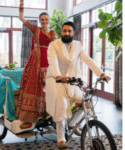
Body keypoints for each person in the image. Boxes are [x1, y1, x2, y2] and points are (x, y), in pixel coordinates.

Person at [45, 21, 110, 149]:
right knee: (62, 105)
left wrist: (101, 74)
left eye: (69, 31)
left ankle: (72, 124)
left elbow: (88, 60)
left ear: (73, 32)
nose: (67, 33)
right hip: (55, 80)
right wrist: (58, 76)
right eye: (64, 31)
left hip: (72, 80)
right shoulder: (54, 45)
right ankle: (61, 138)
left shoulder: (78, 45)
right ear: (61, 32)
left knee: (86, 102)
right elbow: (53, 63)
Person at [16, 0, 57, 129]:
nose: (44, 21)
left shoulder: (53, 33)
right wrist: (22, 3)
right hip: (36, 62)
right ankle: (29, 118)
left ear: (49, 20)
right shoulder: (35, 29)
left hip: (48, 62)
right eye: (42, 20)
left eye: (46, 19)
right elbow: (21, 18)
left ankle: (47, 116)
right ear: (39, 21)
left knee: (49, 89)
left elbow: (56, 47)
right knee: (33, 87)